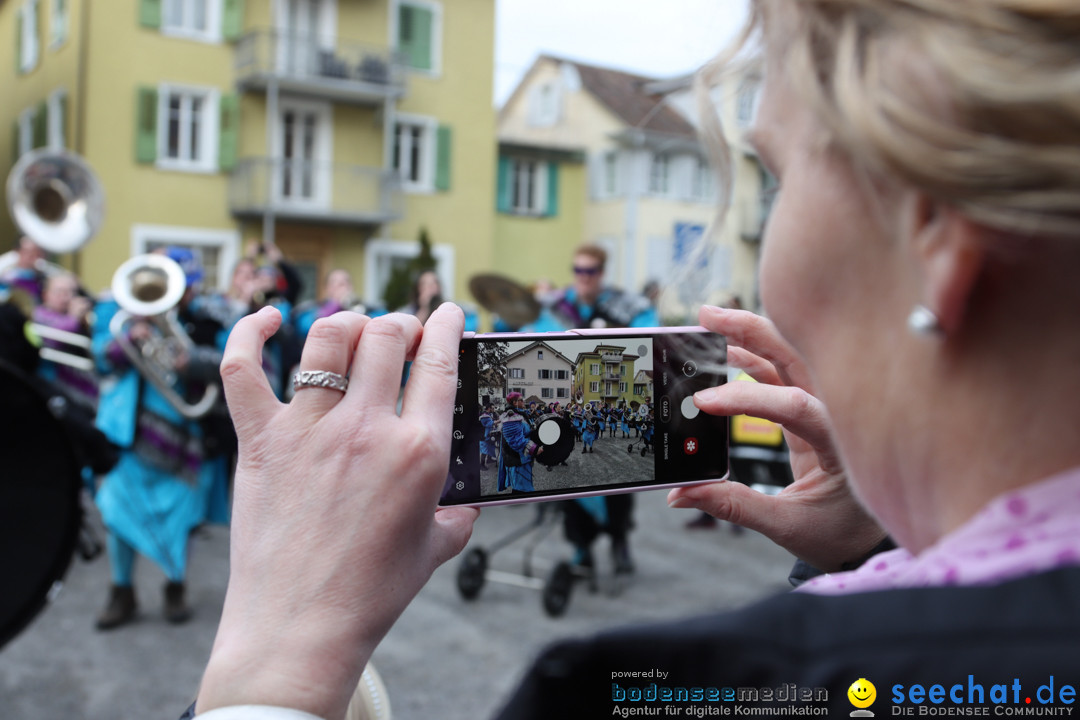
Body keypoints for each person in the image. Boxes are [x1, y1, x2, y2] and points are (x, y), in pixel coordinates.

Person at [188, 2, 1080, 718]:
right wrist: (882, 549)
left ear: (936, 235)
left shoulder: (659, 693)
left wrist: (276, 661)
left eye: (775, 178)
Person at [92, 248, 230, 630]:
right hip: (130, 435)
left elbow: (230, 360)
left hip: (184, 437)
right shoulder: (117, 316)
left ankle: (175, 586)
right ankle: (122, 591)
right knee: (117, 510)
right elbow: (100, 357)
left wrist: (193, 361)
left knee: (180, 514)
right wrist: (127, 341)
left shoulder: (205, 319)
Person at [496, 391, 542, 493]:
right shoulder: (511, 417)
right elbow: (515, 441)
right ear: (514, 402)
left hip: (522, 458)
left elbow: (525, 431)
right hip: (517, 458)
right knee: (520, 489)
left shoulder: (519, 414)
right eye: (521, 400)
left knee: (521, 487)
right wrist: (534, 449)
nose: (524, 401)